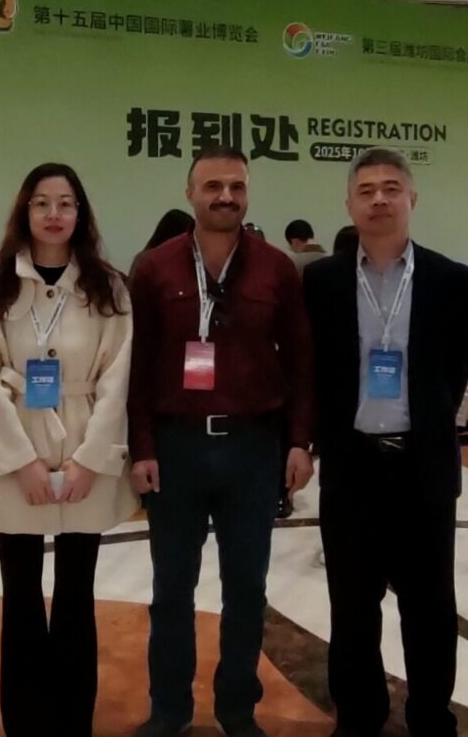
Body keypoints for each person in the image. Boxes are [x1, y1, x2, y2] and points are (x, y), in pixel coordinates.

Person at [127, 144, 314, 737]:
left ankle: (237, 709)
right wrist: (142, 447)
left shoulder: (277, 269)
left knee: (247, 590)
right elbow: (137, 366)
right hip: (176, 449)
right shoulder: (153, 268)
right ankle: (169, 710)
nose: (225, 196)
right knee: (171, 590)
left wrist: (299, 441)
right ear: (190, 193)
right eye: (212, 186)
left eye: (236, 186)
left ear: (248, 192)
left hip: (253, 449)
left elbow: (301, 362)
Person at [0, 164, 138, 737]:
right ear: (24, 211)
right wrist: (20, 461)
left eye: (65, 203)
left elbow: (118, 377)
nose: (54, 214)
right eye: (41, 203)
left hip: (85, 448)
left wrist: (90, 460)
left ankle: (73, 719)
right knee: (21, 596)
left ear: (81, 213)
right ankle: (26, 720)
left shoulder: (108, 286)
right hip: (18, 450)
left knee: (77, 595)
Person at [303, 148, 468, 737]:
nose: (379, 199)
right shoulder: (321, 280)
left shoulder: (450, 280)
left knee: (430, 607)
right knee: (351, 607)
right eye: (367, 190)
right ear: (349, 204)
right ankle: (359, 716)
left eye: (391, 188)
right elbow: (316, 369)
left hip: (423, 466)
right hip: (352, 467)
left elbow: (453, 372)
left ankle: (431, 717)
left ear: (412, 199)